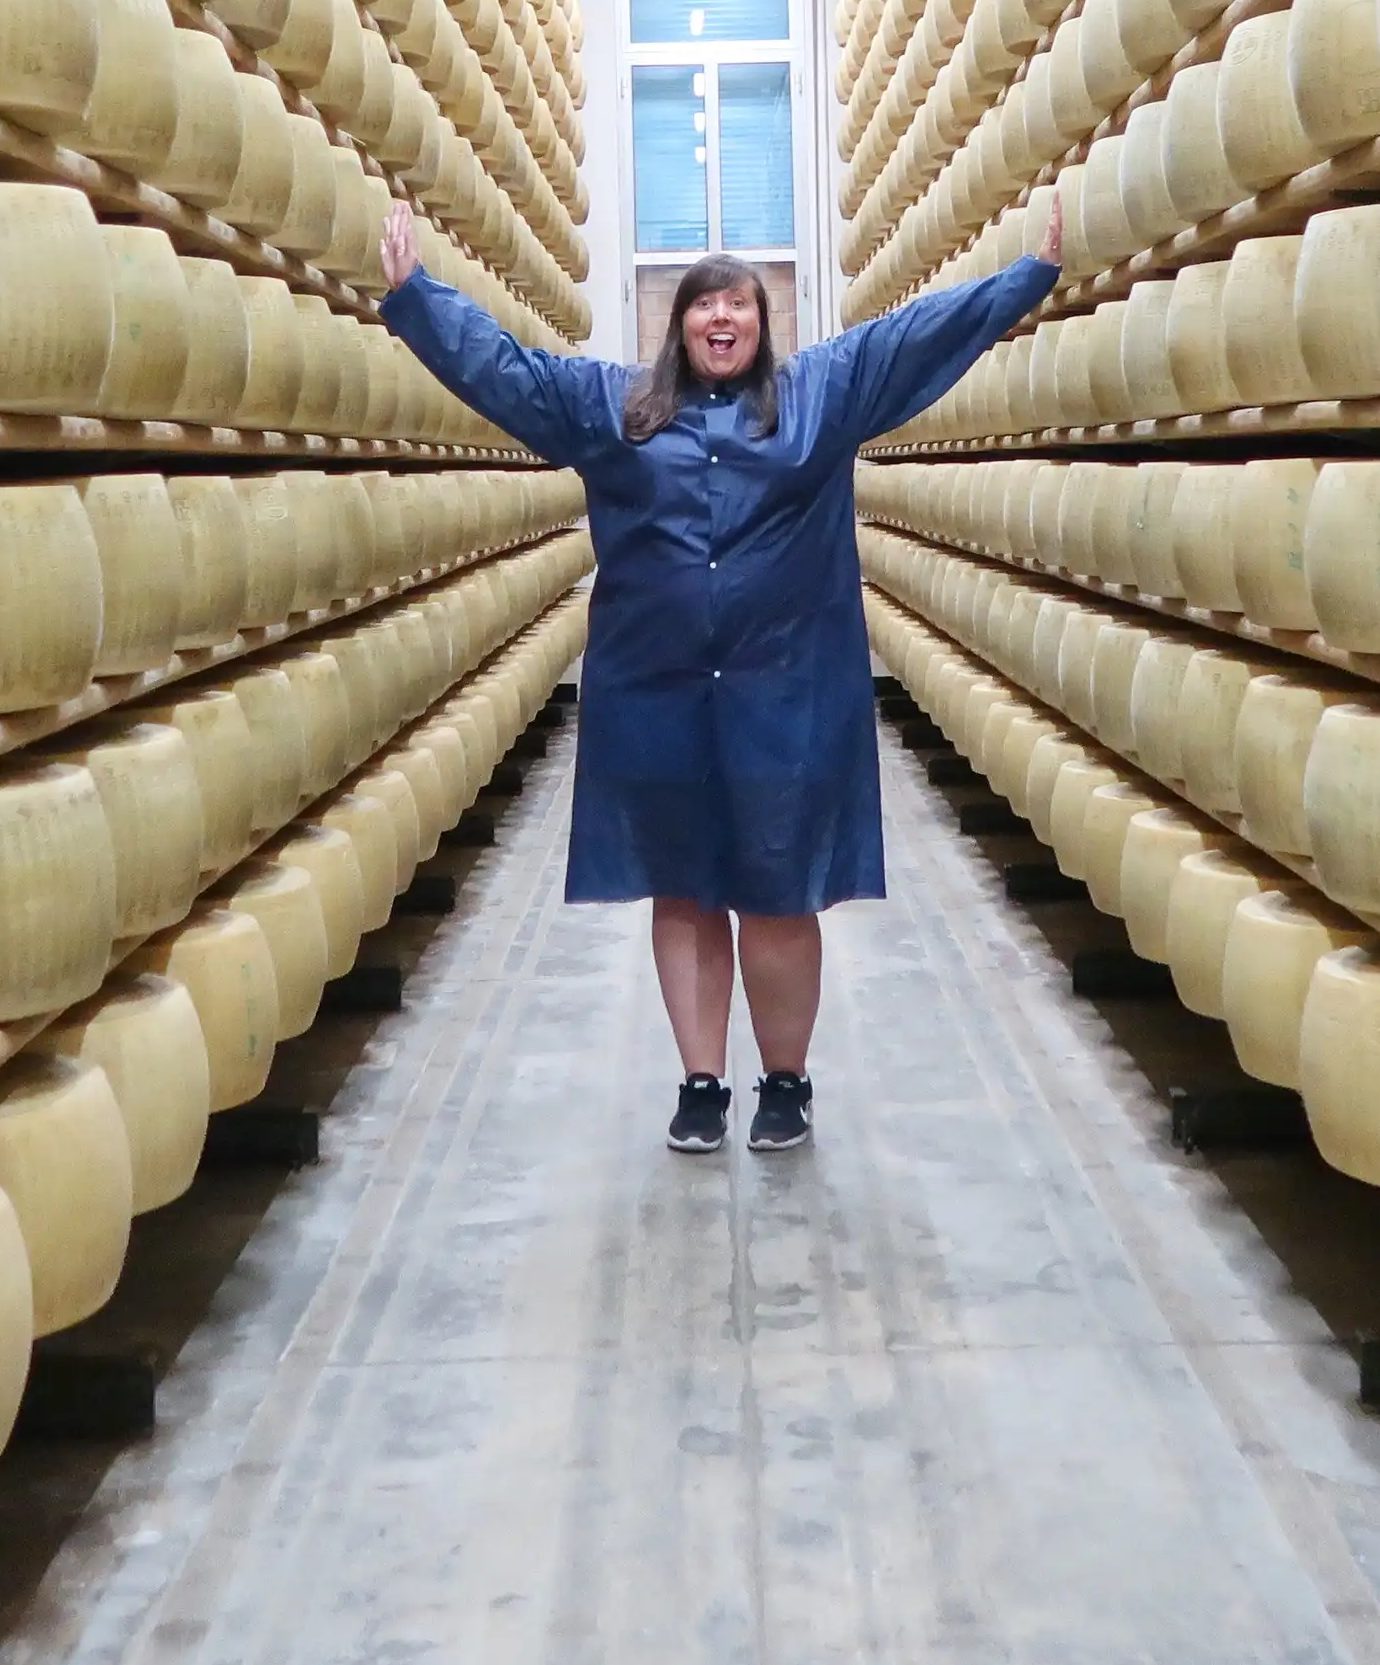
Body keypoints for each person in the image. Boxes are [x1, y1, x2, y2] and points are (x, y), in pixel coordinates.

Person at [376, 194, 1063, 1153]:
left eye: (739, 303)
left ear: (762, 323)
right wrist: (416, 297)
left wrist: (1029, 277)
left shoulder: (819, 398)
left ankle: (786, 1081)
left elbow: (914, 338)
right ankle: (702, 1082)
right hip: (656, 698)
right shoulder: (618, 410)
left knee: (778, 892)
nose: (722, 317)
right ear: (680, 326)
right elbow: (508, 372)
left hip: (786, 699)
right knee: (686, 888)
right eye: (704, 304)